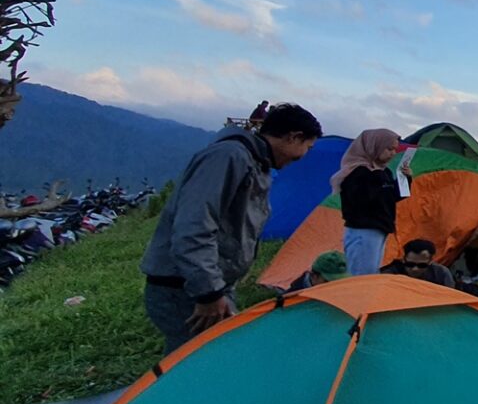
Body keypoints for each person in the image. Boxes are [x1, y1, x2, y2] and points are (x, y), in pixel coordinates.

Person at [141, 103, 321, 353]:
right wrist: (208, 293)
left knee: (213, 357)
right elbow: (194, 226)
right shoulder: (229, 157)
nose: (302, 156)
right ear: (293, 137)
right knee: (196, 365)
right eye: (307, 147)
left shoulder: (256, 163)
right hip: (185, 286)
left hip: (207, 283)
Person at [336, 129, 404, 276]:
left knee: (372, 271)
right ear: (375, 146)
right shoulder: (357, 172)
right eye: (389, 149)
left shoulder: (384, 172)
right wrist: (377, 176)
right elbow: (363, 199)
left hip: (380, 227)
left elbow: (391, 197)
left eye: (395, 150)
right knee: (361, 274)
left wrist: (404, 180)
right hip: (363, 229)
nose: (392, 154)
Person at [382, 238, 457, 288]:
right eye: (410, 264)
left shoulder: (441, 273)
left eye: (422, 265)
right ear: (403, 260)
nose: (415, 269)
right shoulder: (390, 274)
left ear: (430, 262)